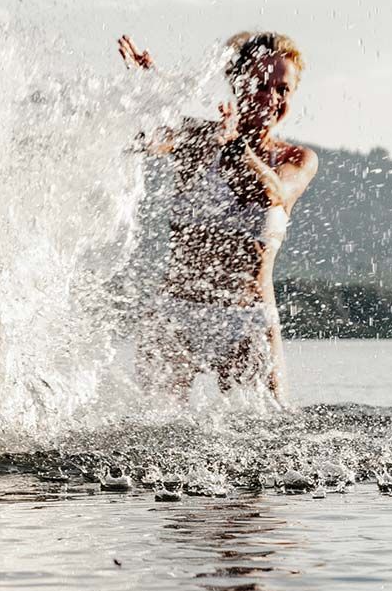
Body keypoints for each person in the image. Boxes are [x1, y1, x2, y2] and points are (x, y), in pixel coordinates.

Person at [118, 31, 319, 401]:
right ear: (238, 84)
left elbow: (272, 191)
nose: (272, 98)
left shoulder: (297, 159)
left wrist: (236, 148)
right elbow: (139, 139)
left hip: (248, 319)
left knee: (268, 436)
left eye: (283, 89)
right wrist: (144, 95)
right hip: (174, 314)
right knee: (156, 432)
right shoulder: (196, 138)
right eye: (261, 85)